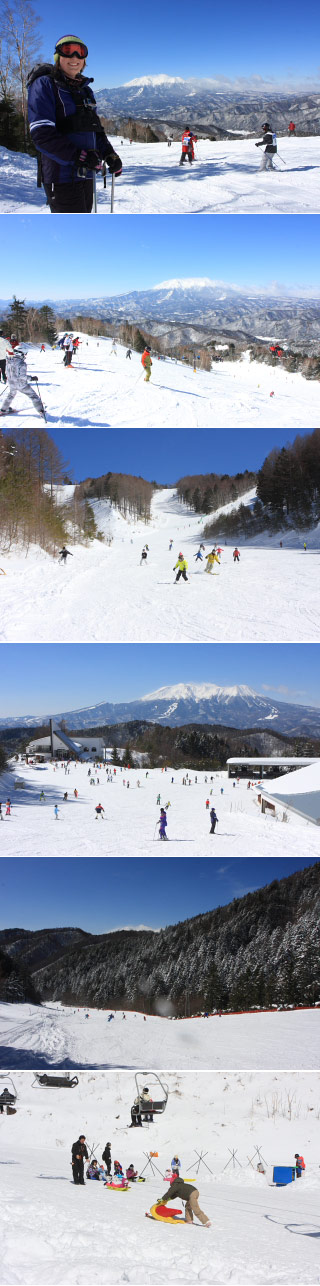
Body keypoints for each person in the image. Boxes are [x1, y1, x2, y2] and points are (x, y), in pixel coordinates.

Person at [27, 35, 122, 213]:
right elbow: (41, 134)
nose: (75, 58)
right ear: (58, 56)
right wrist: (80, 157)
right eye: (68, 51)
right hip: (62, 178)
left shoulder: (85, 90)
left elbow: (95, 130)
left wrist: (109, 153)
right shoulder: (45, 85)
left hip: (87, 175)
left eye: (81, 53)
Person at [0, 346, 46, 419]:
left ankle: (3, 409)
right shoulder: (22, 363)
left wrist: (11, 379)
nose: (25, 355)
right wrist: (32, 378)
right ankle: (41, 411)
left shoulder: (8, 360)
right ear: (21, 353)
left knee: (11, 395)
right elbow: (22, 376)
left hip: (11, 383)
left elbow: (7, 372)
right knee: (33, 396)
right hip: (21, 384)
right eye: (25, 354)